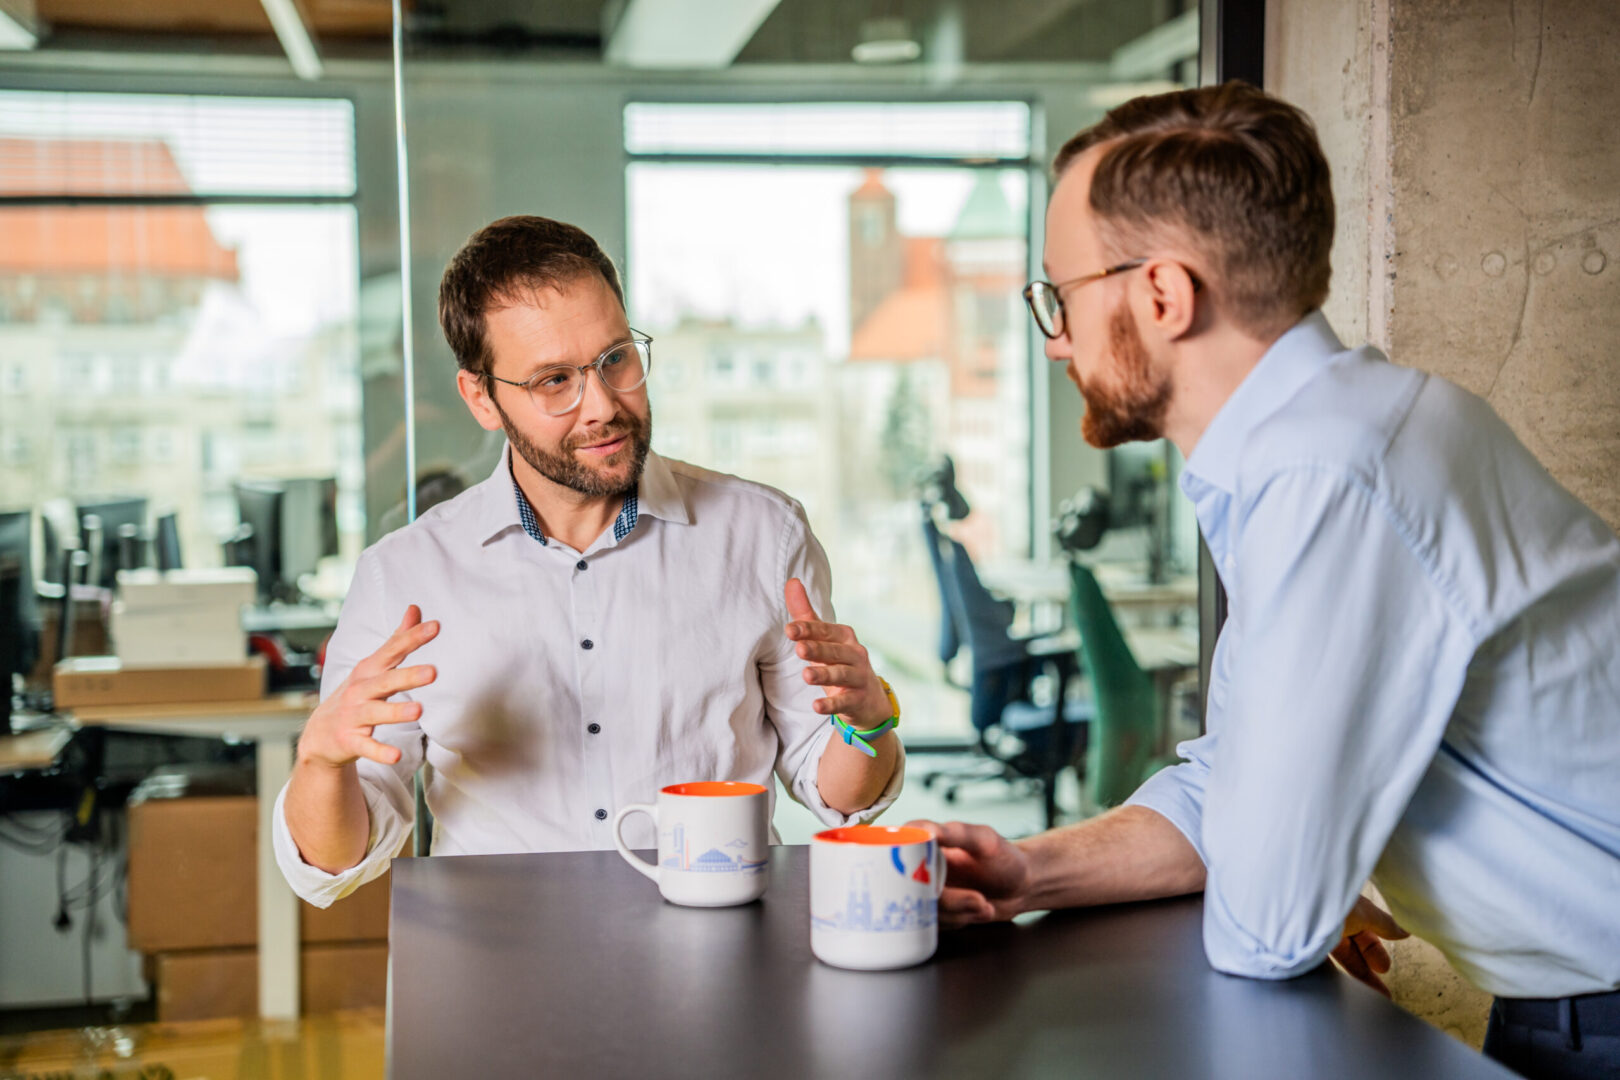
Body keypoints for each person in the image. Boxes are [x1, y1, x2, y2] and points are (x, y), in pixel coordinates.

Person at [913, 82, 1620, 1080]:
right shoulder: (1320, 446)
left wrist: (1282, 825)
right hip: (1564, 1004)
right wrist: (1032, 870)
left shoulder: (1336, 472)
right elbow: (1229, 782)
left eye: (1059, 295)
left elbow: (1268, 920)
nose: (1056, 338)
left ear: (1162, 294)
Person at [276, 216, 903, 904]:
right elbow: (338, 859)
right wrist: (321, 759)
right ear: (482, 398)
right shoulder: (405, 575)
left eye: (615, 360)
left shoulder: (762, 534)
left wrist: (868, 722)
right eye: (553, 381)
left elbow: (835, 789)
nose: (602, 405)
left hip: (720, 952)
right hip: (503, 965)